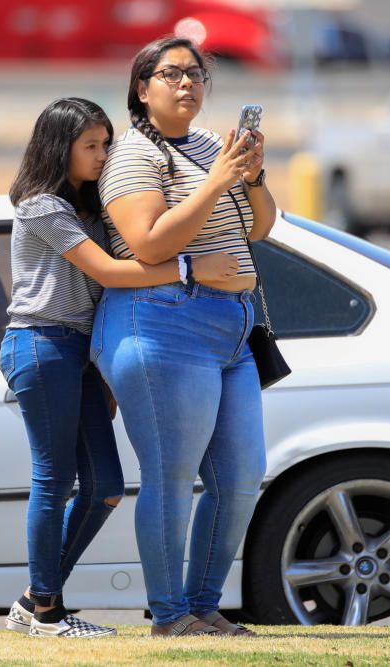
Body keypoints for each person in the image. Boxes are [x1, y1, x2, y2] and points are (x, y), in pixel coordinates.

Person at [0, 97, 239, 639]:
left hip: (79, 354)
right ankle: (45, 614)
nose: (103, 155)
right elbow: (110, 272)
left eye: (107, 143)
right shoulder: (41, 206)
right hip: (40, 345)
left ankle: (34, 598)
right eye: (91, 146)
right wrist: (190, 267)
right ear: (59, 148)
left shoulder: (86, 207)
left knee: (106, 486)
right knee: (54, 480)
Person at [92, 37, 277, 637]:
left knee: (242, 474)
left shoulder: (205, 146)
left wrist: (249, 176)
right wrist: (216, 181)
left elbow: (262, 226)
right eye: (170, 74)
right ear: (142, 89)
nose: (187, 84)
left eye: (195, 74)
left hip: (230, 332)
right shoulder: (132, 156)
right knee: (173, 476)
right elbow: (148, 243)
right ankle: (169, 616)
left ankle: (202, 606)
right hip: (163, 322)